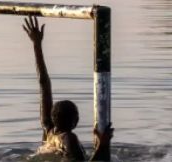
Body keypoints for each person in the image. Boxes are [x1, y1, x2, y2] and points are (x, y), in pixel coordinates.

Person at [22, 16, 114, 161]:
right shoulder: (69, 138)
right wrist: (102, 145)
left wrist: (37, 45)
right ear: (74, 121)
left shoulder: (48, 131)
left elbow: (44, 84)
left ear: (52, 118)